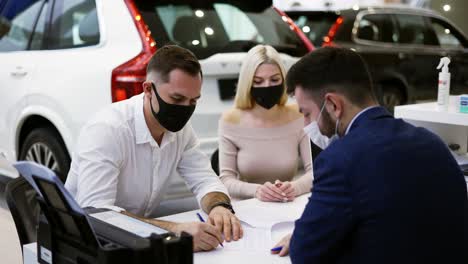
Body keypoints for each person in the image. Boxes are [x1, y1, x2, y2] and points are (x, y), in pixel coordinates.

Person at [272, 47, 468, 263]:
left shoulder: (339, 159)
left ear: (333, 105)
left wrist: (300, 236)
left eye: (307, 113)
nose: (306, 125)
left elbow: (305, 252)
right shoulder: (430, 141)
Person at [65, 45, 243, 252]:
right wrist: (174, 232)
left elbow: (204, 179)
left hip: (137, 240)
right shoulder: (107, 130)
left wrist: (219, 206)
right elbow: (97, 214)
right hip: (85, 243)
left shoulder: (181, 131)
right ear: (148, 89)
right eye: (177, 99)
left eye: (193, 101)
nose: (185, 108)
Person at [218, 45, 313, 202]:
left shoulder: (298, 115)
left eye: (274, 80)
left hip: (287, 202)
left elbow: (316, 171)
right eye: (258, 81)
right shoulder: (231, 120)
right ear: (247, 84)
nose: (267, 86)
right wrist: (258, 191)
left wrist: (295, 188)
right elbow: (226, 180)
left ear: (283, 80)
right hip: (248, 205)